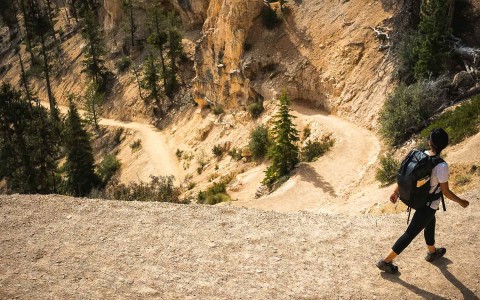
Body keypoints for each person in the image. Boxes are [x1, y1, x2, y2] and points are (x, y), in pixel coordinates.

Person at [377, 128, 470, 274]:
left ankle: (432, 252)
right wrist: (461, 202)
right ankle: (386, 261)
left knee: (430, 221)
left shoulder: (420, 155)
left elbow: (407, 175)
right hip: (428, 204)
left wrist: (396, 191)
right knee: (410, 233)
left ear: (430, 142)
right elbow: (445, 192)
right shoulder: (442, 166)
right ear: (445, 145)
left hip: (419, 199)